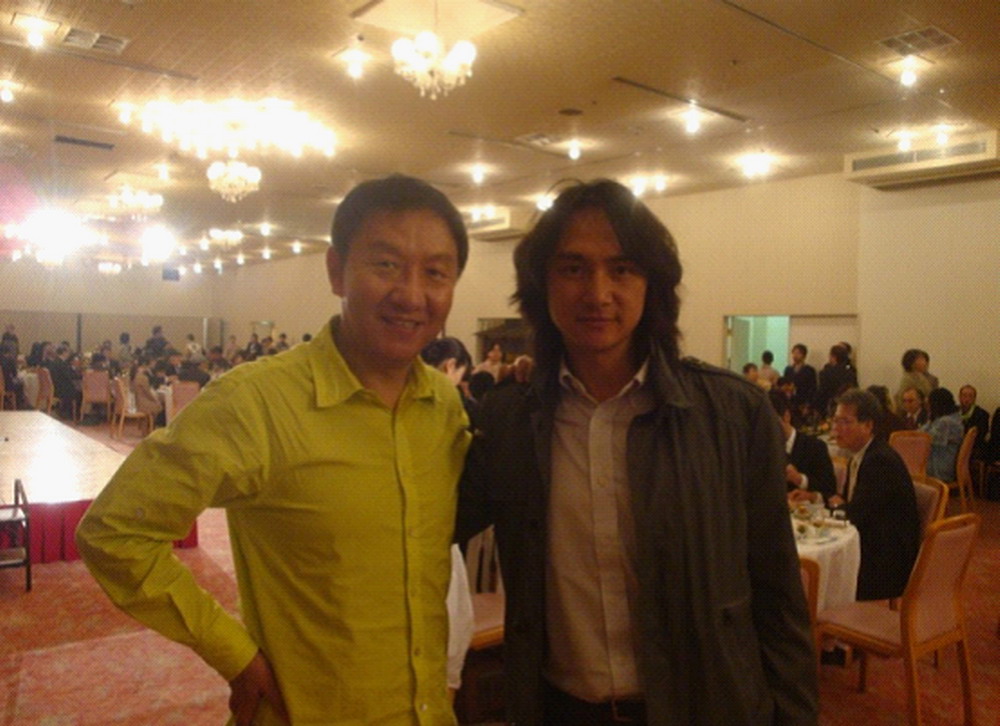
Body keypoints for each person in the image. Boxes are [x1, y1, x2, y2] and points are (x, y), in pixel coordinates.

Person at [76, 175, 472, 725]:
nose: (411, 294)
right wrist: (233, 653)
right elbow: (114, 532)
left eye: (435, 273)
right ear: (336, 270)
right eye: (386, 264)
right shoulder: (255, 402)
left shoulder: (444, 410)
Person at [457, 179, 817, 725]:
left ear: (653, 285)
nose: (597, 293)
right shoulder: (511, 420)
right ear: (541, 284)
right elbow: (419, 527)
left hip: (705, 708)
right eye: (572, 268)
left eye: (622, 269)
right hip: (561, 710)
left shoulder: (733, 415)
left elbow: (779, 598)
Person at [827, 389, 920, 601]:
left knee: (817, 571)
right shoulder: (861, 454)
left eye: (845, 422)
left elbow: (855, 514)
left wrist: (829, 508)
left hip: (885, 561)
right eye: (835, 421)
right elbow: (852, 507)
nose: (836, 429)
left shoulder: (880, 461)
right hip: (870, 540)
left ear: (868, 425)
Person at [769, 391, 837, 504]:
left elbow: (830, 489)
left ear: (786, 416)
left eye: (770, 422)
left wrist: (800, 479)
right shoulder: (763, 450)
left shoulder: (814, 447)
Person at [922, 387, 965, 482]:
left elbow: (924, 439)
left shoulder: (946, 422)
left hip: (940, 467)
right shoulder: (953, 417)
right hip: (944, 463)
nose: (927, 406)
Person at [813, 343, 857, 417]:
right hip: (845, 406)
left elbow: (822, 391)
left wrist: (816, 408)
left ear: (834, 357)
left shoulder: (826, 372)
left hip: (828, 405)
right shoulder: (850, 372)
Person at [783, 343, 817, 418]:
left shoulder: (809, 370)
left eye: (798, 353)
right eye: (794, 353)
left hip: (802, 403)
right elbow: (784, 384)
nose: (795, 355)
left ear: (804, 355)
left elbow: (813, 389)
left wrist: (808, 406)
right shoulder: (788, 369)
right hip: (789, 403)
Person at [958, 384, 990, 460]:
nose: (967, 399)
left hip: (973, 449)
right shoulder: (953, 412)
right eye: (964, 396)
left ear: (974, 399)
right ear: (959, 397)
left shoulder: (982, 414)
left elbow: (980, 436)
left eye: (970, 396)